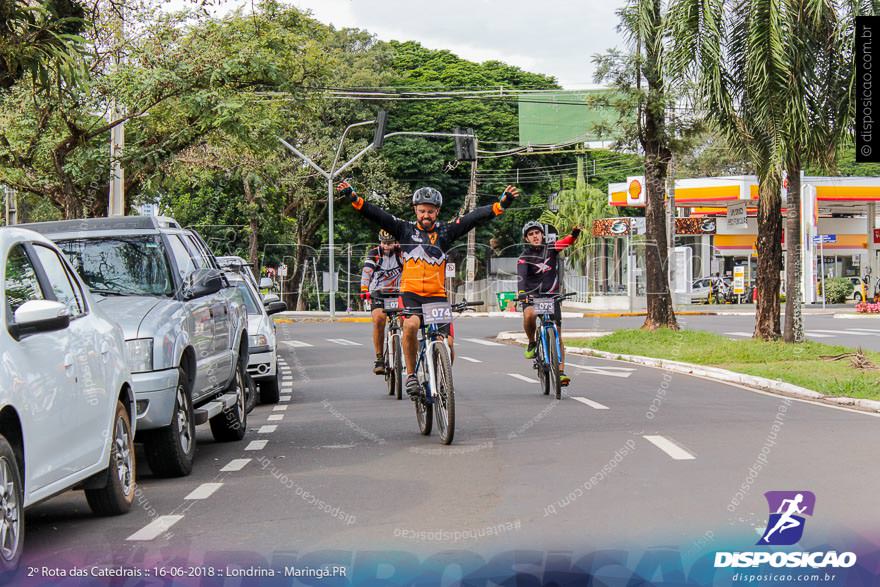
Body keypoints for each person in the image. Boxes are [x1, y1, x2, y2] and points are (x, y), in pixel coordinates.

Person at [338, 181, 518, 399]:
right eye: (422, 210)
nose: (426, 215)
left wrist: (500, 205)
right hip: (411, 294)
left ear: (437, 212)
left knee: (448, 345)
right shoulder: (403, 229)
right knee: (411, 325)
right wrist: (354, 198)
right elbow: (378, 214)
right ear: (415, 210)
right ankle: (412, 375)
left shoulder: (446, 232)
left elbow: (473, 218)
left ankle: (441, 375)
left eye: (430, 212)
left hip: (437, 296)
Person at [518, 220, 581, 387]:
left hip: (551, 296)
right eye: (531, 234)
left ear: (542, 234)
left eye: (537, 233)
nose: (535, 236)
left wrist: (574, 234)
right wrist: (522, 294)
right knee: (529, 314)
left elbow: (567, 241)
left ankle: (560, 372)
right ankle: (532, 342)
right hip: (532, 297)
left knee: (558, 333)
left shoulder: (552, 248)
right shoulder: (524, 257)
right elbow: (521, 279)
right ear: (527, 238)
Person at [360, 230, 404, 375]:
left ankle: (405, 348)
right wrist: (364, 289)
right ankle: (379, 359)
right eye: (384, 243)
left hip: (398, 292)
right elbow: (367, 272)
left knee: (407, 320)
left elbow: (411, 270)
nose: (386, 246)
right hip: (378, 293)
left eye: (390, 243)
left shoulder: (401, 253)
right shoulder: (374, 254)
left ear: (395, 243)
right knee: (379, 319)